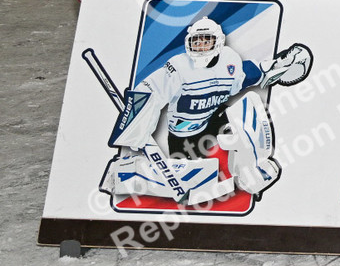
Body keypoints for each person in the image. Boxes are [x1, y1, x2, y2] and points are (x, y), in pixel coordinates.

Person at [96, 15, 310, 204]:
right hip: (184, 135)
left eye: (206, 40)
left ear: (218, 41)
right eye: (196, 41)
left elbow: (246, 75)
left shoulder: (229, 60)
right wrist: (136, 118)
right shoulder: (178, 67)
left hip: (214, 118)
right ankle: (126, 173)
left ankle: (252, 170)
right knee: (192, 179)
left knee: (248, 109)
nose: (201, 46)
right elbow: (151, 91)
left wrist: (274, 68)